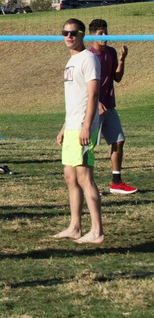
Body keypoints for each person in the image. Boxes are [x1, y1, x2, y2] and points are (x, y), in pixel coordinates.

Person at [53, 18, 104, 244]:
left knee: (85, 178)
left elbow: (93, 96)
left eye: (74, 33)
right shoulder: (71, 61)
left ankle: (97, 231)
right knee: (70, 176)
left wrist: (86, 126)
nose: (69, 36)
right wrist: (65, 126)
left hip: (83, 127)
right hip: (72, 126)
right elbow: (74, 98)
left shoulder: (88, 59)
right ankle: (75, 227)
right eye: (65, 32)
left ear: (82, 35)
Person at [87, 19, 136, 194]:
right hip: (93, 107)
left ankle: (116, 182)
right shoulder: (89, 56)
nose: (105, 36)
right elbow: (85, 85)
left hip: (110, 106)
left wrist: (122, 60)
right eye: (100, 34)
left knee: (118, 141)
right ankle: (87, 185)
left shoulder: (111, 52)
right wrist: (96, 102)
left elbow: (117, 78)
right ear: (92, 35)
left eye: (106, 32)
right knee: (88, 145)